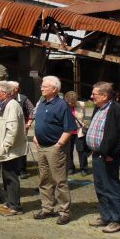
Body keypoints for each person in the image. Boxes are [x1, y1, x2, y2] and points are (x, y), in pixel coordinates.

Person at [85, 82, 120, 234]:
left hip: (109, 157)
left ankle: (116, 220)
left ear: (104, 96)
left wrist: (113, 154)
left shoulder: (117, 109)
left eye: (94, 94)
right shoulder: (98, 108)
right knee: (100, 187)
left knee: (111, 187)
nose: (91, 96)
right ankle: (105, 216)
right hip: (97, 155)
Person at [32, 76, 76, 225]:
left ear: (54, 89)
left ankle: (64, 211)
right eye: (42, 86)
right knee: (44, 179)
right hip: (41, 147)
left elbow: (69, 128)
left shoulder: (62, 105)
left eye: (45, 86)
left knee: (60, 181)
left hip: (55, 148)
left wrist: (58, 145)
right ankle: (47, 208)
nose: (41, 88)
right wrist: (36, 137)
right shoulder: (42, 102)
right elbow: (38, 121)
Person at [0, 81, 27, 216]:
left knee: (11, 177)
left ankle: (15, 206)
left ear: (5, 93)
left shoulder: (12, 105)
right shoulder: (5, 104)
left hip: (9, 150)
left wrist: (5, 146)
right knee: (6, 176)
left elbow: (12, 129)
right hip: (4, 149)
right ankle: (9, 202)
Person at [9, 81, 34, 179]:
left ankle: (22, 170)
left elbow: (32, 111)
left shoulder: (23, 99)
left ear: (15, 89)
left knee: (22, 148)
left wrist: (28, 124)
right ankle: (13, 169)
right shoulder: (7, 98)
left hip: (22, 128)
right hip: (10, 128)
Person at [63, 91, 85, 175]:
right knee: (69, 150)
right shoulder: (64, 106)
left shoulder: (82, 105)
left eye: (73, 102)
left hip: (79, 131)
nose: (71, 104)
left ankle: (83, 168)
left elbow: (82, 117)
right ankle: (71, 167)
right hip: (68, 132)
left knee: (81, 150)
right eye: (69, 102)